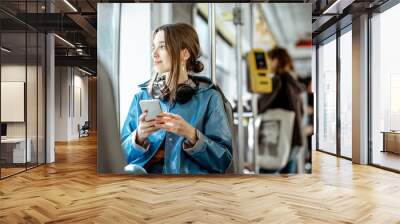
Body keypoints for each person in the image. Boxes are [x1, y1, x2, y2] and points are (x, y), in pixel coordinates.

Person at [120, 23, 233, 174]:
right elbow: (118, 156)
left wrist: (192, 135)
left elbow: (223, 161)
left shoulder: (210, 98)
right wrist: (138, 136)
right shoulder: (141, 96)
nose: (154, 54)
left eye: (162, 46)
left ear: (184, 54)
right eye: (154, 47)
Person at [257, 47, 304, 174]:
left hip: (279, 137)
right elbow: (302, 111)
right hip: (295, 138)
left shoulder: (278, 80)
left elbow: (260, 105)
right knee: (287, 181)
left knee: (265, 176)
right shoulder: (293, 82)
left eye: (270, 60)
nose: (267, 64)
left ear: (276, 60)